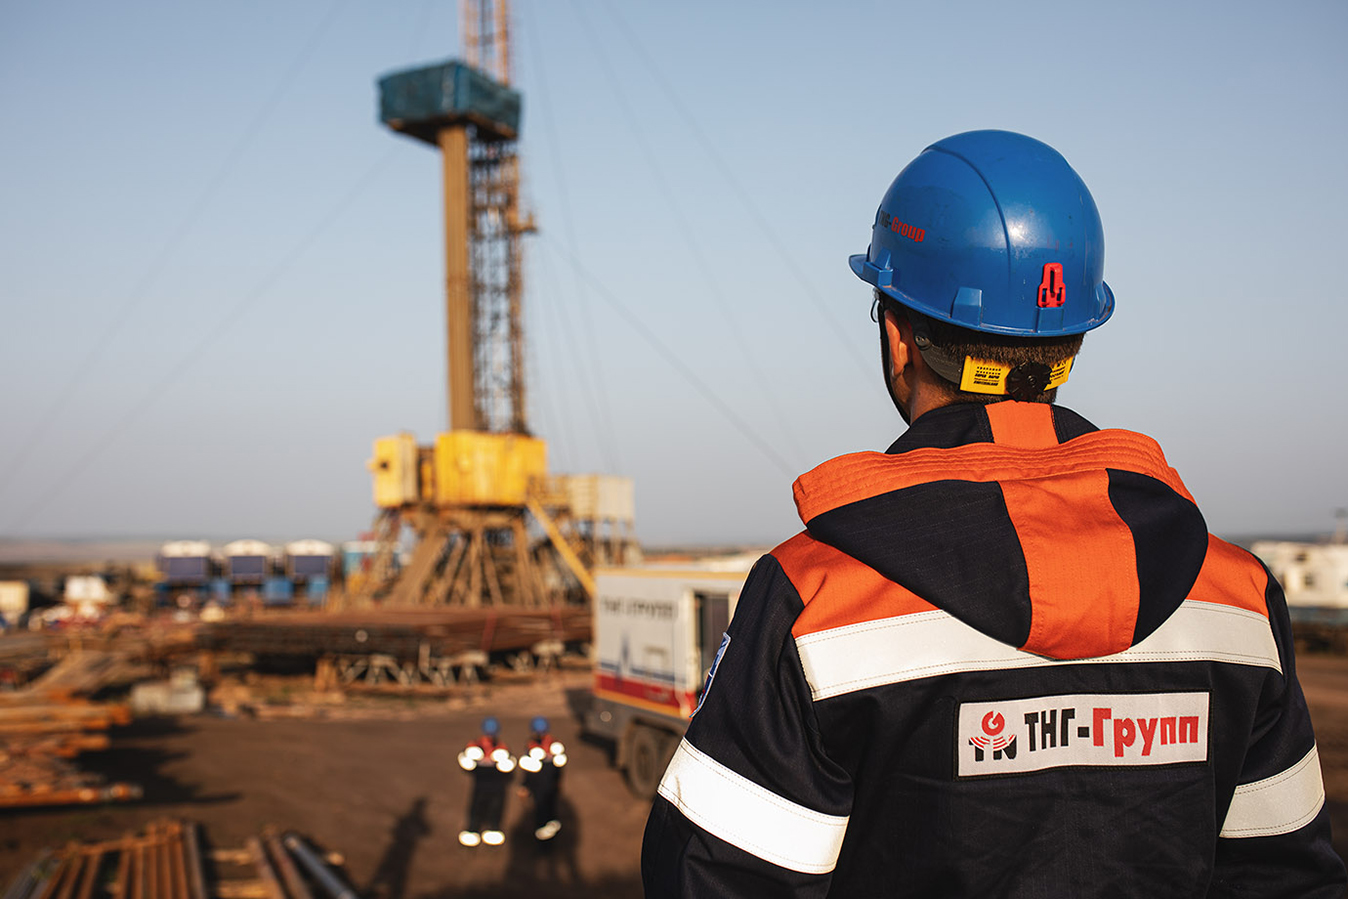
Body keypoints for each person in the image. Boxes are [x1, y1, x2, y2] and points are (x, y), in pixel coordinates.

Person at [640, 130, 1346, 897]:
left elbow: (713, 881)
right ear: (1071, 338)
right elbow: (1286, 876)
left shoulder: (816, 600)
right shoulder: (1237, 597)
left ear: (898, 337)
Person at [458, 715, 515, 847]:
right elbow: (466, 764)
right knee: (477, 807)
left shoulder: (501, 748)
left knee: (494, 808)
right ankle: (473, 831)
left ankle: (492, 830)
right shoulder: (474, 747)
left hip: (495, 786)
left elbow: (509, 765)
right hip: (482, 785)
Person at [518, 715, 567, 841]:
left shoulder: (533, 746)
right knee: (547, 810)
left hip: (542, 785)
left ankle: (545, 839)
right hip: (546, 785)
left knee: (543, 810)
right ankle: (548, 837)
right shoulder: (551, 745)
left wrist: (525, 786)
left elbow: (528, 770)